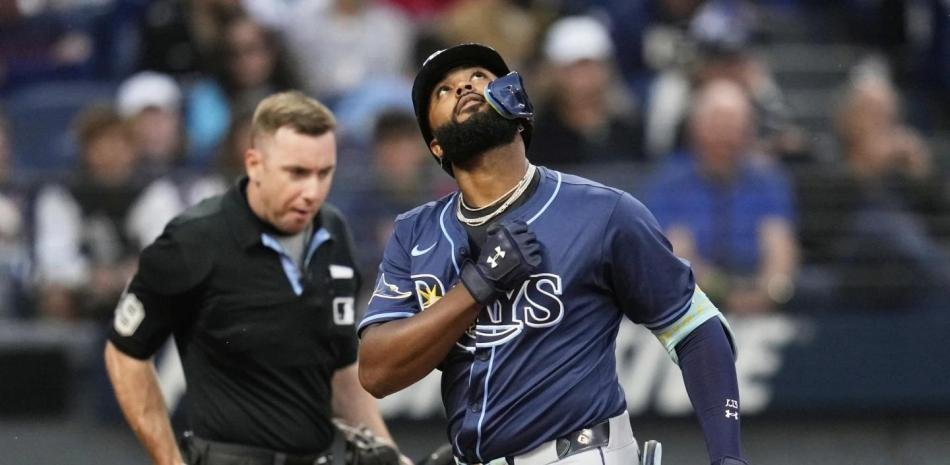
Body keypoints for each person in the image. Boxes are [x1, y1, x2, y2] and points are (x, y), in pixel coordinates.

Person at [357, 43, 748, 465]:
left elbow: (695, 327)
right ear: (435, 145)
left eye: (479, 77)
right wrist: (476, 287)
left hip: (581, 452)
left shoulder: (603, 211)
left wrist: (727, 456)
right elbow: (376, 371)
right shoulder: (415, 232)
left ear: (516, 103)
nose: (464, 87)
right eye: (443, 91)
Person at [104, 91, 402, 465]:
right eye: (296, 173)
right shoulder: (194, 240)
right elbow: (125, 353)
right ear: (254, 164)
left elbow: (341, 369)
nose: (312, 191)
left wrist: (388, 453)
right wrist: (169, 461)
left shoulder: (334, 231)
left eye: (324, 173)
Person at [645, 80, 799, 314]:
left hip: (758, 285)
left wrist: (770, 291)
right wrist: (723, 292)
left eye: (733, 126)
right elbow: (673, 253)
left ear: (748, 131)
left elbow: (780, 245)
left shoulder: (768, 180)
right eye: (716, 125)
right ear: (695, 128)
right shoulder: (670, 183)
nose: (724, 136)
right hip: (693, 294)